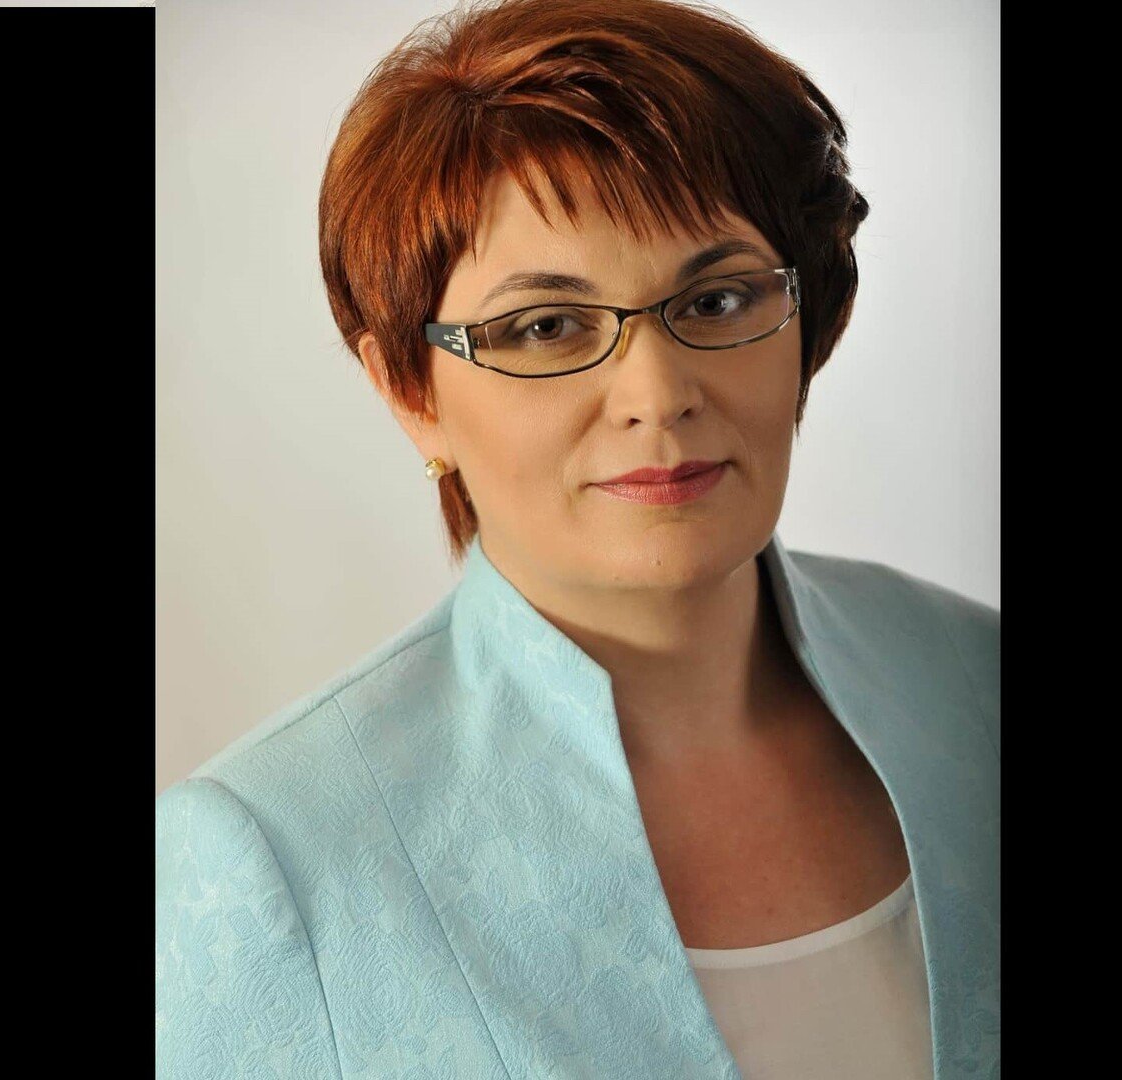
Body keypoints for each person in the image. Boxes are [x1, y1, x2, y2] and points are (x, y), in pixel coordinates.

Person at [155, 0, 998, 1077]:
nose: (657, 394)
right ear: (410, 391)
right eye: (546, 326)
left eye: (718, 298)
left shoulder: (975, 681)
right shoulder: (270, 858)